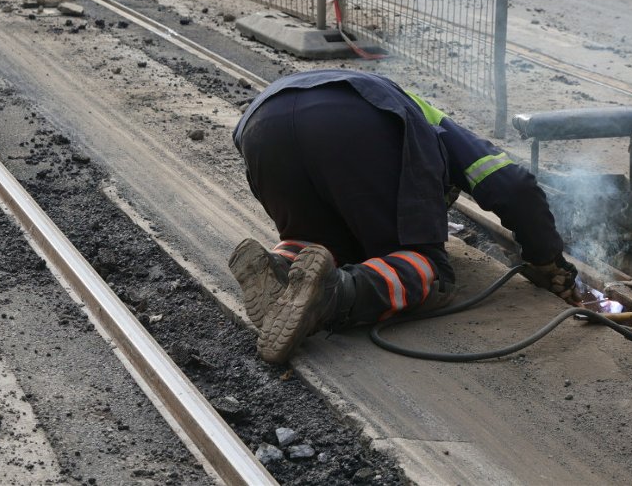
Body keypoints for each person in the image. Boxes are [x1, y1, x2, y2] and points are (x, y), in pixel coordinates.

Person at [228, 69, 580, 364]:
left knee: (327, 244)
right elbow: (513, 186)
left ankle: (279, 268)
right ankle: (333, 296)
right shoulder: (431, 120)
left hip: (260, 126)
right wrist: (547, 260)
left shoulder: (368, 88)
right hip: (353, 125)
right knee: (431, 270)